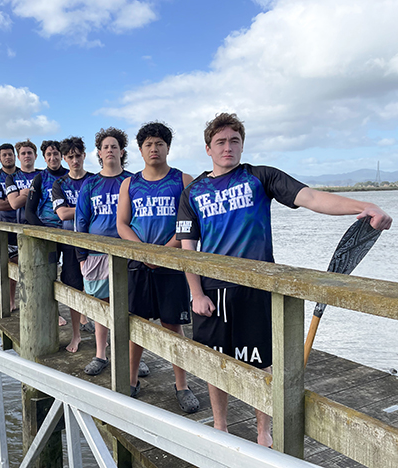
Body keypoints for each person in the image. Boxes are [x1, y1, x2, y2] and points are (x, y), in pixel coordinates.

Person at [176, 112, 393, 446]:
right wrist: (195, 293)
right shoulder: (193, 192)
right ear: (208, 148)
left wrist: (361, 206)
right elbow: (187, 247)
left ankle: (264, 431)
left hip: (259, 288)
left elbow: (311, 197)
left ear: (242, 144)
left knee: (264, 364)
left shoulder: (260, 177)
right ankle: (221, 426)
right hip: (213, 290)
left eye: (235, 140)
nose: (228, 147)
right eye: (220, 141)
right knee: (216, 363)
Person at [117, 122, 199, 412]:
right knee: (137, 323)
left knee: (173, 324)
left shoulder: (183, 180)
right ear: (140, 150)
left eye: (160, 144)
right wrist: (142, 251)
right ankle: (130, 380)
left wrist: (165, 252)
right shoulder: (130, 183)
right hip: (138, 263)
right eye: (149, 144)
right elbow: (122, 223)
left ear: (167, 148)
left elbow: (189, 223)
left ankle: (182, 385)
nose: (154, 149)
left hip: (171, 263)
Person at [75, 127, 133, 376]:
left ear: (122, 151)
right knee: (101, 306)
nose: (110, 150)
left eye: (114, 146)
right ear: (99, 152)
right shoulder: (90, 184)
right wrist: (81, 256)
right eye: (105, 147)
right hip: (96, 255)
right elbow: (81, 220)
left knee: (130, 306)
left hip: (126, 253)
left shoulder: (133, 181)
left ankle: (133, 356)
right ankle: (101, 353)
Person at [52, 137, 95, 352]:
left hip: (95, 243)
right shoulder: (59, 184)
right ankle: (76, 335)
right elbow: (62, 214)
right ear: (65, 159)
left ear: (84, 156)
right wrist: (89, 208)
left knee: (100, 291)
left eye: (78, 156)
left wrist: (76, 209)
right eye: (70, 157)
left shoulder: (96, 181)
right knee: (73, 289)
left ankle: (103, 337)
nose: (75, 160)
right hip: (70, 243)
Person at [24, 140, 69, 326]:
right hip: (48, 233)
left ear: (62, 156)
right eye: (49, 155)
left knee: (73, 275)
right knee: (49, 274)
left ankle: (82, 316)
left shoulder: (69, 176)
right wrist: (43, 233)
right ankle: (54, 312)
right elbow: (29, 211)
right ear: (44, 158)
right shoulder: (40, 178)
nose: (53, 158)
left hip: (70, 232)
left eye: (56, 154)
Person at [0, 143, 19, 311]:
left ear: (15, 156)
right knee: (10, 266)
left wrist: (13, 200)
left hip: (26, 225)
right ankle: (11, 301)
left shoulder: (23, 175)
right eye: (4, 155)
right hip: (7, 228)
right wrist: (18, 200)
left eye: (10, 154)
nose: (8, 157)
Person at [5, 140, 41, 224]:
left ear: (35, 156)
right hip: (23, 223)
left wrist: (24, 194)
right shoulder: (11, 178)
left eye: (29, 153)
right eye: (23, 153)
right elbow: (14, 204)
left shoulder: (43, 175)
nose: (26, 156)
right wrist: (37, 193)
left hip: (43, 222)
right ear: (18, 157)